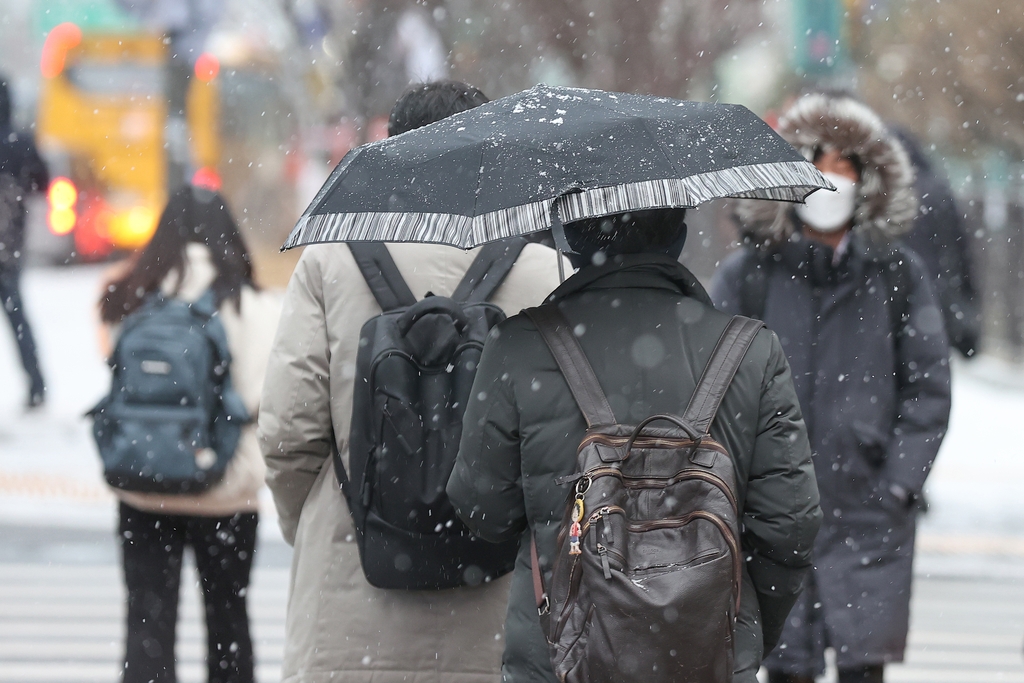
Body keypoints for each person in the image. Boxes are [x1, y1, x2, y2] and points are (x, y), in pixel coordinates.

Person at [257, 80, 567, 683]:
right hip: (499, 619)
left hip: (351, 622)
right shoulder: (545, 270)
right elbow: (563, 446)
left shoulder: (331, 259)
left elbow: (287, 432)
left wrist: (331, 521)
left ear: (393, 151)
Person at [447, 208, 823, 682]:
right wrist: (740, 624)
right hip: (709, 658)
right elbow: (790, 525)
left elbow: (482, 508)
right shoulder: (751, 350)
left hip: (558, 659)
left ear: (570, 238)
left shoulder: (518, 344)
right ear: (679, 237)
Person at [711, 94, 952, 683]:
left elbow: (928, 387)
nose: (831, 178)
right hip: (771, 512)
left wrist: (898, 483)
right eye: (817, 161)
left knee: (862, 666)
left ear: (868, 180)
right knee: (784, 665)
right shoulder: (751, 273)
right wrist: (738, 479)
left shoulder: (896, 274)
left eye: (845, 164)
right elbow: (710, 382)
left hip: (869, 510)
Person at [98, 186, 280, 683]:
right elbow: (267, 395)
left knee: (147, 624)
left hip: (142, 482)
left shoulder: (129, 297)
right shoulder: (254, 305)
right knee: (228, 622)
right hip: (226, 492)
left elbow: (114, 371)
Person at [892, 128, 981, 359]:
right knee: (931, 364)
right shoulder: (936, 186)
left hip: (897, 295)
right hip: (935, 296)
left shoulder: (886, 190)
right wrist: (966, 293)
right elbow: (959, 247)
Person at [0, 75, 49, 408]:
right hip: (9, 243)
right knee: (18, 318)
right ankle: (36, 385)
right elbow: (43, 182)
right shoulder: (20, 140)